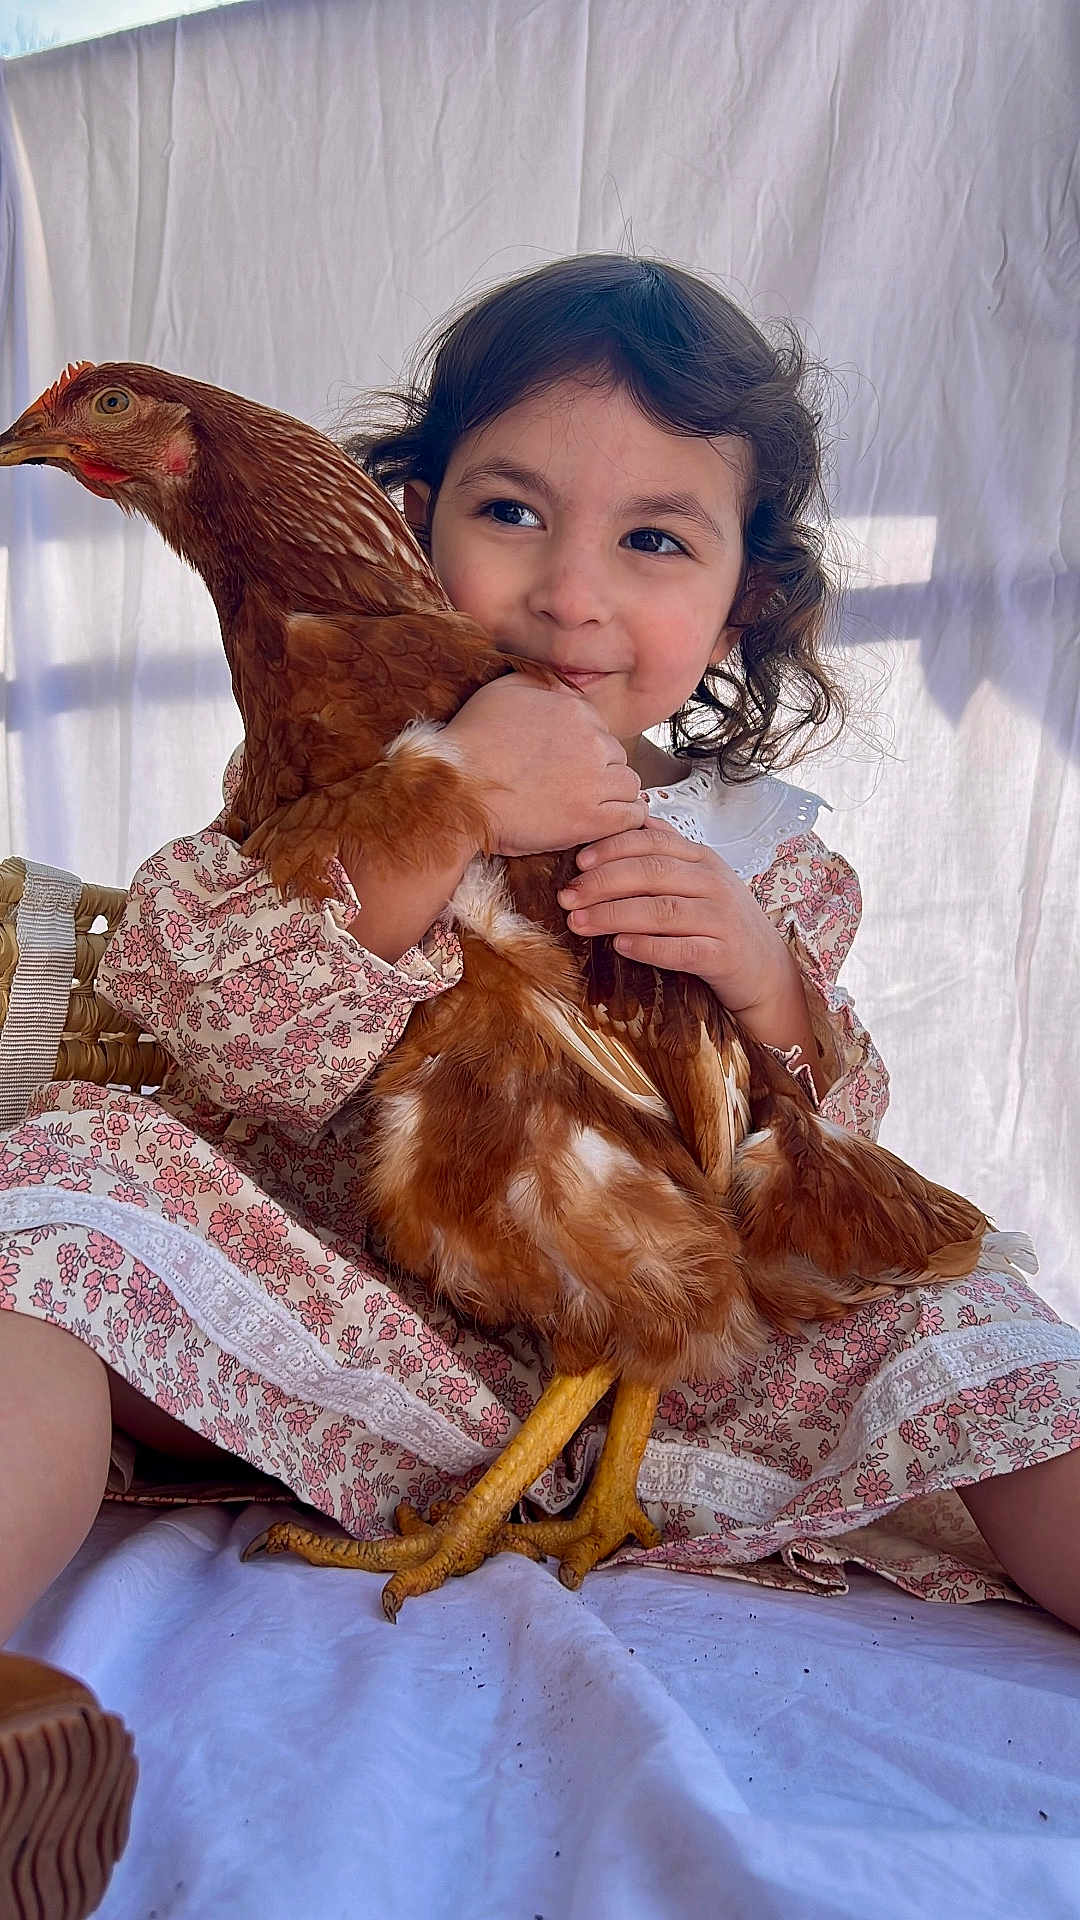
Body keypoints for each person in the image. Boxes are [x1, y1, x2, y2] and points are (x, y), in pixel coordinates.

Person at [1, 255, 1078, 1908]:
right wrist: (444, 805)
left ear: (739, 599)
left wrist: (767, 981)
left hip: (689, 1358)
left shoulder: (761, 867)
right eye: (514, 513)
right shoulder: (324, 794)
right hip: (375, 1338)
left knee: (989, 1336)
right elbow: (237, 1040)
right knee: (59, 1197)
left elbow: (823, 1158)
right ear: (416, 521)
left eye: (654, 539)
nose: (575, 592)